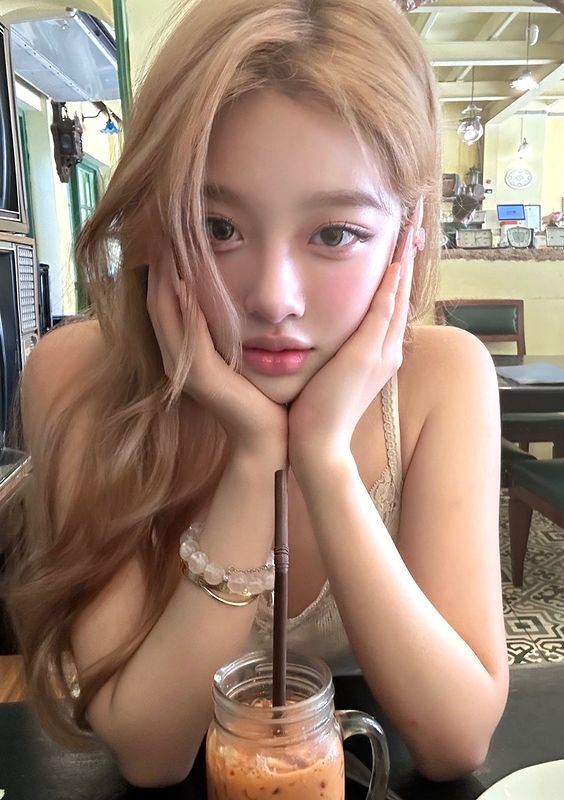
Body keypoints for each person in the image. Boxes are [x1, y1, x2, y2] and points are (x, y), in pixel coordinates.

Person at [5, 0, 508, 788]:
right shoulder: (79, 379)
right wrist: (253, 461)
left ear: (407, 234)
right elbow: (150, 754)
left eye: (335, 234)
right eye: (217, 227)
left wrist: (324, 460)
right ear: (157, 217)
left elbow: (456, 741)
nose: (274, 299)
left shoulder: (442, 379)